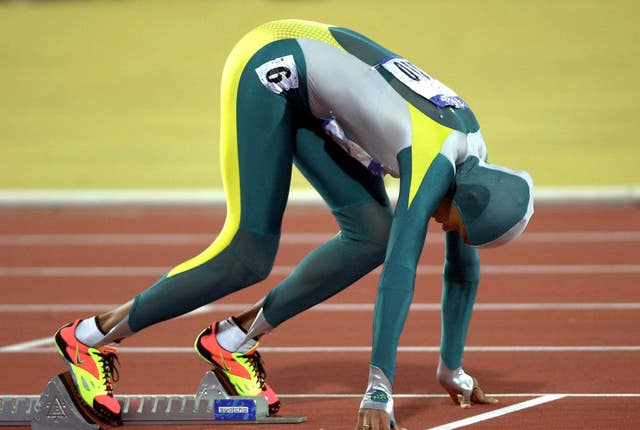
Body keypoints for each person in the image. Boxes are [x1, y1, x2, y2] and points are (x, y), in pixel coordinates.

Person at [52, 19, 533, 429]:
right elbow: (401, 271)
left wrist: (452, 369)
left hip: (314, 91)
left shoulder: (477, 166)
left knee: (373, 236)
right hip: (269, 67)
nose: (448, 231)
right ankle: (88, 339)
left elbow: (462, 272)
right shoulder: (434, 164)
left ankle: (231, 341)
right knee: (246, 255)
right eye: (456, 227)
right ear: (463, 202)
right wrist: (379, 387)